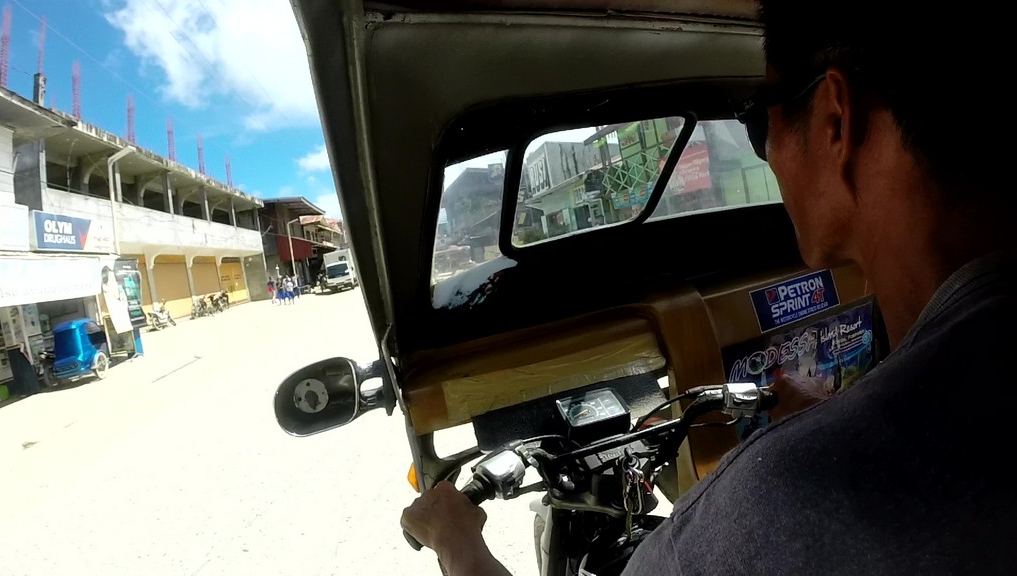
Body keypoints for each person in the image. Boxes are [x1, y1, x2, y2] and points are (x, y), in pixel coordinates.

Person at [401, 1, 1015, 573]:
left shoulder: (785, 499)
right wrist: (836, 417)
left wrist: (457, 540)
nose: (767, 155)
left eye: (757, 123)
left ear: (835, 121)